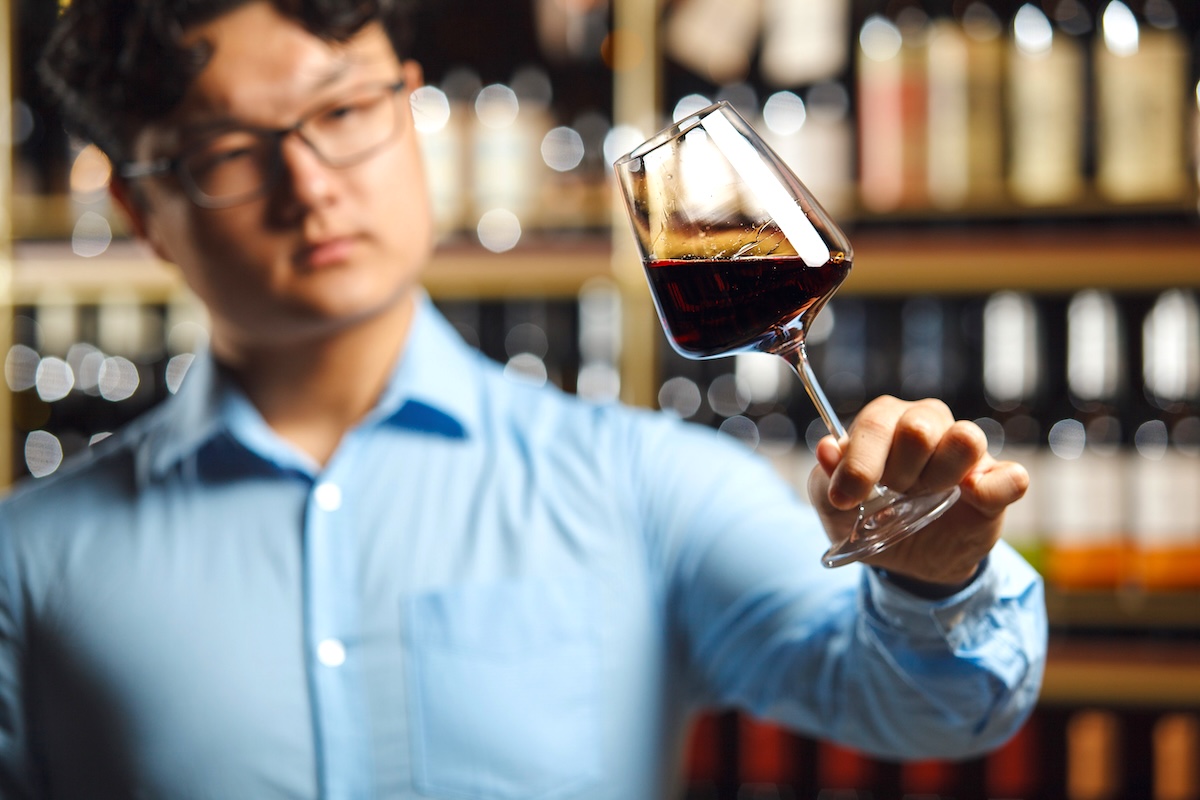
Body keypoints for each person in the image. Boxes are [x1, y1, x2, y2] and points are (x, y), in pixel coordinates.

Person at [0, 1, 1045, 797]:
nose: (310, 183)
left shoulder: (646, 484)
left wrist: (933, 580)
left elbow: (934, 710)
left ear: (409, 108)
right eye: (229, 149)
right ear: (140, 208)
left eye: (345, 110)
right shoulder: (28, 561)